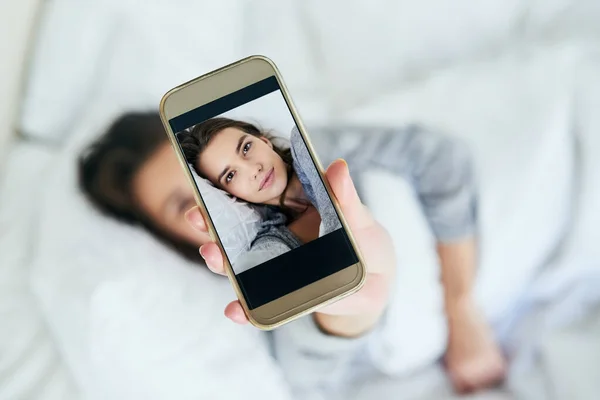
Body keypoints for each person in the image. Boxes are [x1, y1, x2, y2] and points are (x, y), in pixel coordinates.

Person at [79, 112, 505, 395]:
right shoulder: (264, 272)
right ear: (178, 238)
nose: (212, 199)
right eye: (185, 203)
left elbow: (438, 158)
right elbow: (310, 373)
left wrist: (461, 300)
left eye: (243, 152)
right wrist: (351, 304)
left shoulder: (307, 156)